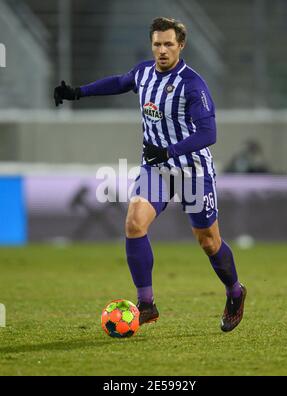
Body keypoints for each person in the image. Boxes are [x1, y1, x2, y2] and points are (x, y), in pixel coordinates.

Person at [54, 17, 247, 332]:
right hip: (156, 168)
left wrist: (170, 151)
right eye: (157, 43)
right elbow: (119, 82)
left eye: (169, 44)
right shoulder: (144, 72)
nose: (162, 50)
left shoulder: (192, 84)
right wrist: (77, 92)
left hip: (192, 171)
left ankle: (235, 292)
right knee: (134, 223)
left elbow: (208, 133)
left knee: (209, 242)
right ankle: (146, 304)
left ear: (181, 45)